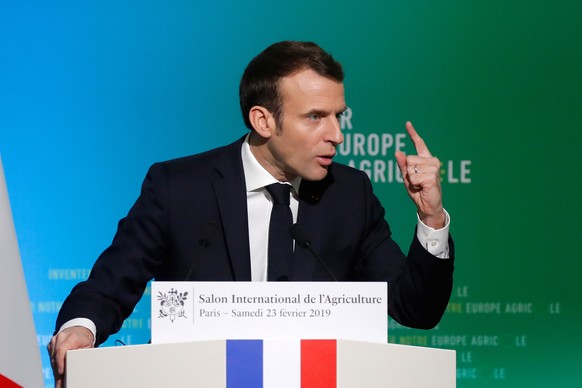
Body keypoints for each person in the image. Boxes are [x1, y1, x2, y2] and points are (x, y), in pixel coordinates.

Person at [48, 41, 454, 386]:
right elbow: (113, 282)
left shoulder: (350, 194)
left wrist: (432, 217)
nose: (336, 135)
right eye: (315, 116)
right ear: (263, 120)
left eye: (338, 116)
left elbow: (415, 309)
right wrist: (79, 329)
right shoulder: (179, 187)